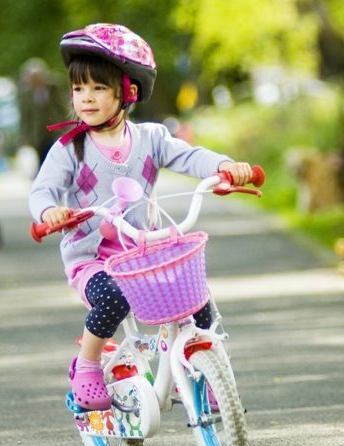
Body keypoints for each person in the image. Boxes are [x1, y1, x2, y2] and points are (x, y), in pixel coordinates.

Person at [28, 23, 253, 411]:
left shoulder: (151, 138)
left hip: (143, 252)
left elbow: (191, 156)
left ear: (127, 91)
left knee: (196, 296)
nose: (86, 98)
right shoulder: (70, 149)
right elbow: (42, 189)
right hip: (94, 261)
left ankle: (207, 366)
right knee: (112, 299)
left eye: (98, 88)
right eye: (78, 89)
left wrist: (226, 167)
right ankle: (88, 365)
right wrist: (50, 211)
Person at [17, 57, 67, 167]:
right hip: (39, 136)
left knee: (59, 159)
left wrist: (66, 126)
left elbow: (63, 107)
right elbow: (25, 117)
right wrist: (24, 138)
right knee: (43, 162)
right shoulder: (26, 94)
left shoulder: (54, 87)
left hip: (56, 131)